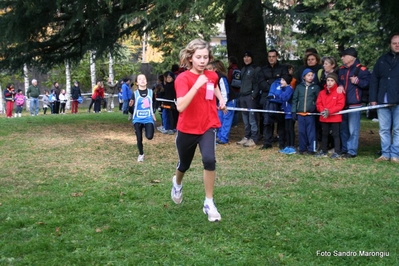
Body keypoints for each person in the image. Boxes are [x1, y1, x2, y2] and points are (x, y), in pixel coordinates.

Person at [170, 38, 226, 222]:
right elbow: (180, 106)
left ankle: (209, 202)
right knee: (184, 165)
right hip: (187, 129)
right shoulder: (183, 79)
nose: (202, 61)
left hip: (208, 126)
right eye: (198, 57)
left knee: (209, 160)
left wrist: (221, 100)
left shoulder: (211, 75)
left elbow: (214, 85)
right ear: (190, 58)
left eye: (205, 57)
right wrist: (196, 84)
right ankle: (177, 183)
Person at [370, 33, 399, 163]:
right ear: (390, 45)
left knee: (398, 129)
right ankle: (385, 153)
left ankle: (395, 155)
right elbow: (374, 80)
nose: (397, 45)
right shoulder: (382, 60)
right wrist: (373, 98)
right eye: (394, 43)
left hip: (397, 101)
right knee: (384, 129)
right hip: (382, 100)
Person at [338, 47, 371, 158]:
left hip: (354, 104)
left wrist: (358, 81)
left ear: (351, 57)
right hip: (342, 104)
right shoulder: (341, 69)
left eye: (344, 56)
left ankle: (351, 151)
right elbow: (338, 81)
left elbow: (368, 83)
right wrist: (340, 85)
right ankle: (344, 149)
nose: (342, 58)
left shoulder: (361, 70)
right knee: (343, 129)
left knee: (353, 129)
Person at [258, 49, 289, 150]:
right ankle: (267, 142)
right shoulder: (263, 69)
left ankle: (281, 142)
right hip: (267, 97)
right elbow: (261, 83)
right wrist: (273, 86)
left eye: (273, 56)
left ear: (277, 57)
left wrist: (271, 83)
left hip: (280, 97)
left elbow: (284, 80)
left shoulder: (283, 68)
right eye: (269, 56)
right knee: (267, 121)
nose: (271, 58)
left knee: (281, 121)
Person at [315, 73, 346, 159]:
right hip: (324, 117)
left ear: (335, 82)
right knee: (324, 134)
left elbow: (340, 105)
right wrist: (323, 111)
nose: (329, 82)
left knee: (335, 135)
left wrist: (330, 111)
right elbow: (318, 103)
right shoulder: (322, 92)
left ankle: (337, 152)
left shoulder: (339, 92)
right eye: (328, 80)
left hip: (335, 117)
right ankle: (323, 151)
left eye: (332, 80)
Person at [291, 68, 320, 155]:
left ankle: (312, 148)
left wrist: (314, 106)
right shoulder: (299, 87)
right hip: (300, 114)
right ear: (304, 77)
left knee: (311, 132)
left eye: (312, 75)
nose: (310, 77)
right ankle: (302, 148)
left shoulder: (316, 87)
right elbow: (295, 99)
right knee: (301, 132)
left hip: (310, 114)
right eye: (308, 75)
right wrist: (293, 111)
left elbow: (319, 99)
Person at [207, 60, 236, 144]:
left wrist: (224, 104)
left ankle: (223, 138)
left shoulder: (221, 77)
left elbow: (225, 92)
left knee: (226, 119)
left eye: (210, 69)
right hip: (219, 101)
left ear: (215, 69)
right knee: (219, 118)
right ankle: (218, 137)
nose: (208, 71)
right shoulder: (208, 79)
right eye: (206, 69)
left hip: (228, 100)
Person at [128, 74, 156, 162]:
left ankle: (146, 129)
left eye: (144, 78)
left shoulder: (151, 93)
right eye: (140, 79)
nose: (142, 80)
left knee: (149, 136)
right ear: (137, 82)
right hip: (137, 119)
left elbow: (154, 103)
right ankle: (141, 154)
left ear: (146, 81)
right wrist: (130, 107)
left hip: (148, 118)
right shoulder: (134, 94)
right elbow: (131, 109)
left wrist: (153, 113)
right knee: (139, 138)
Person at [236, 51, 260, 147]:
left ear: (252, 58)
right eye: (245, 57)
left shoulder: (255, 69)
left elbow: (258, 83)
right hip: (242, 96)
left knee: (252, 118)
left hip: (250, 96)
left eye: (248, 57)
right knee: (245, 118)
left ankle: (254, 138)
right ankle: (247, 136)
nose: (246, 58)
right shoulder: (242, 69)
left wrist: (254, 95)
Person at [274, 75, 295, 154]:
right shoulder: (284, 89)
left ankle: (292, 146)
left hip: (290, 112)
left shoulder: (289, 89)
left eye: (283, 80)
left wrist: (278, 95)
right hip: (286, 112)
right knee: (286, 129)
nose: (281, 82)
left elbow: (284, 98)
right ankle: (288, 146)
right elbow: (278, 98)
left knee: (290, 129)